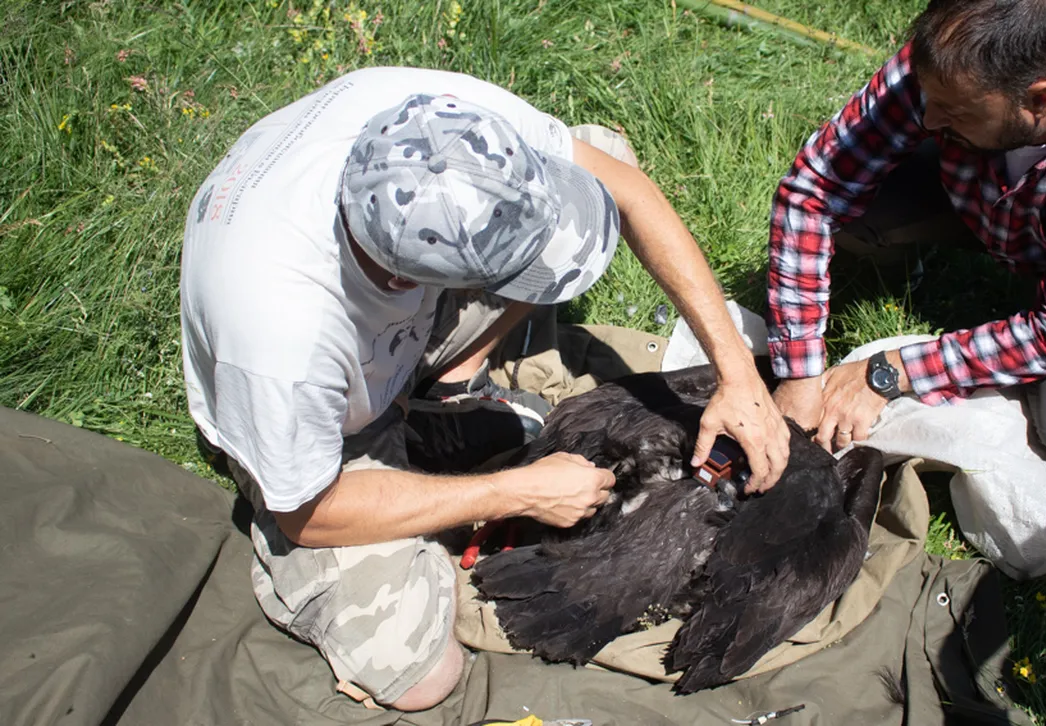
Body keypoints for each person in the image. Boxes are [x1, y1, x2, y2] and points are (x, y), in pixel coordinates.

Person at [179, 67, 788, 711]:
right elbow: (309, 513)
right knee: (420, 674)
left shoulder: (431, 124)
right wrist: (516, 491)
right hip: (327, 434)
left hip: (384, 328)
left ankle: (447, 384)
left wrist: (737, 373)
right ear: (404, 280)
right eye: (515, 272)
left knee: (599, 161)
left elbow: (629, 191)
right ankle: (408, 447)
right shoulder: (280, 337)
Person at [767, 0, 1046, 468]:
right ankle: (900, 273)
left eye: (955, 112)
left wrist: (890, 372)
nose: (930, 120)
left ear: (1040, 100)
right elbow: (813, 190)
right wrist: (799, 373)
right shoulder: (956, 56)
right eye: (929, 99)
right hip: (983, 204)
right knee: (853, 202)